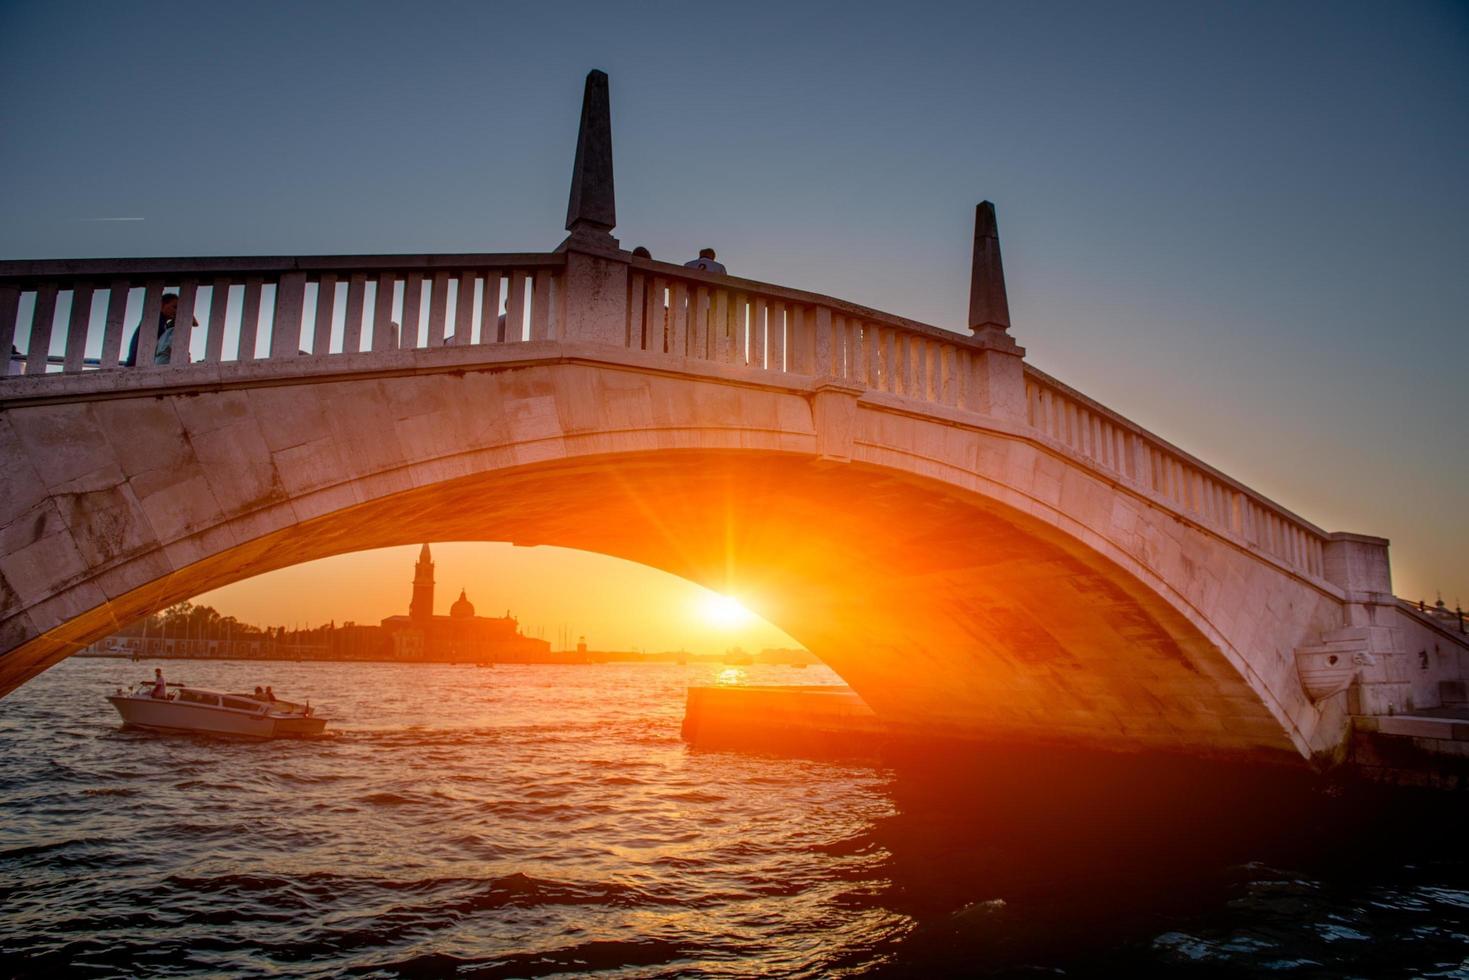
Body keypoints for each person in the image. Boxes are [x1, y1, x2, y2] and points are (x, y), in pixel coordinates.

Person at [124, 292, 194, 367]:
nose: (176, 311)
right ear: (161, 305)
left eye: (179, 309)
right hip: (137, 364)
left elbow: (194, 323)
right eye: (174, 307)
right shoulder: (156, 321)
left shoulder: (162, 323)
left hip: (137, 363)